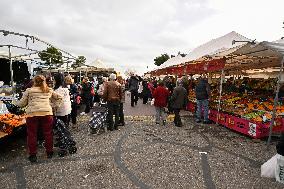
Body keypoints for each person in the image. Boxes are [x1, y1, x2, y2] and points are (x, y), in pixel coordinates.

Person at [15, 75, 63, 162]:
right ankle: (49, 152)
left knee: (32, 134)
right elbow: (60, 98)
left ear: (34, 81)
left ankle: (33, 155)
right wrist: (54, 106)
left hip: (32, 114)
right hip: (47, 113)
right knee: (48, 133)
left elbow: (21, 104)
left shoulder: (29, 91)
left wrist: (14, 102)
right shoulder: (49, 90)